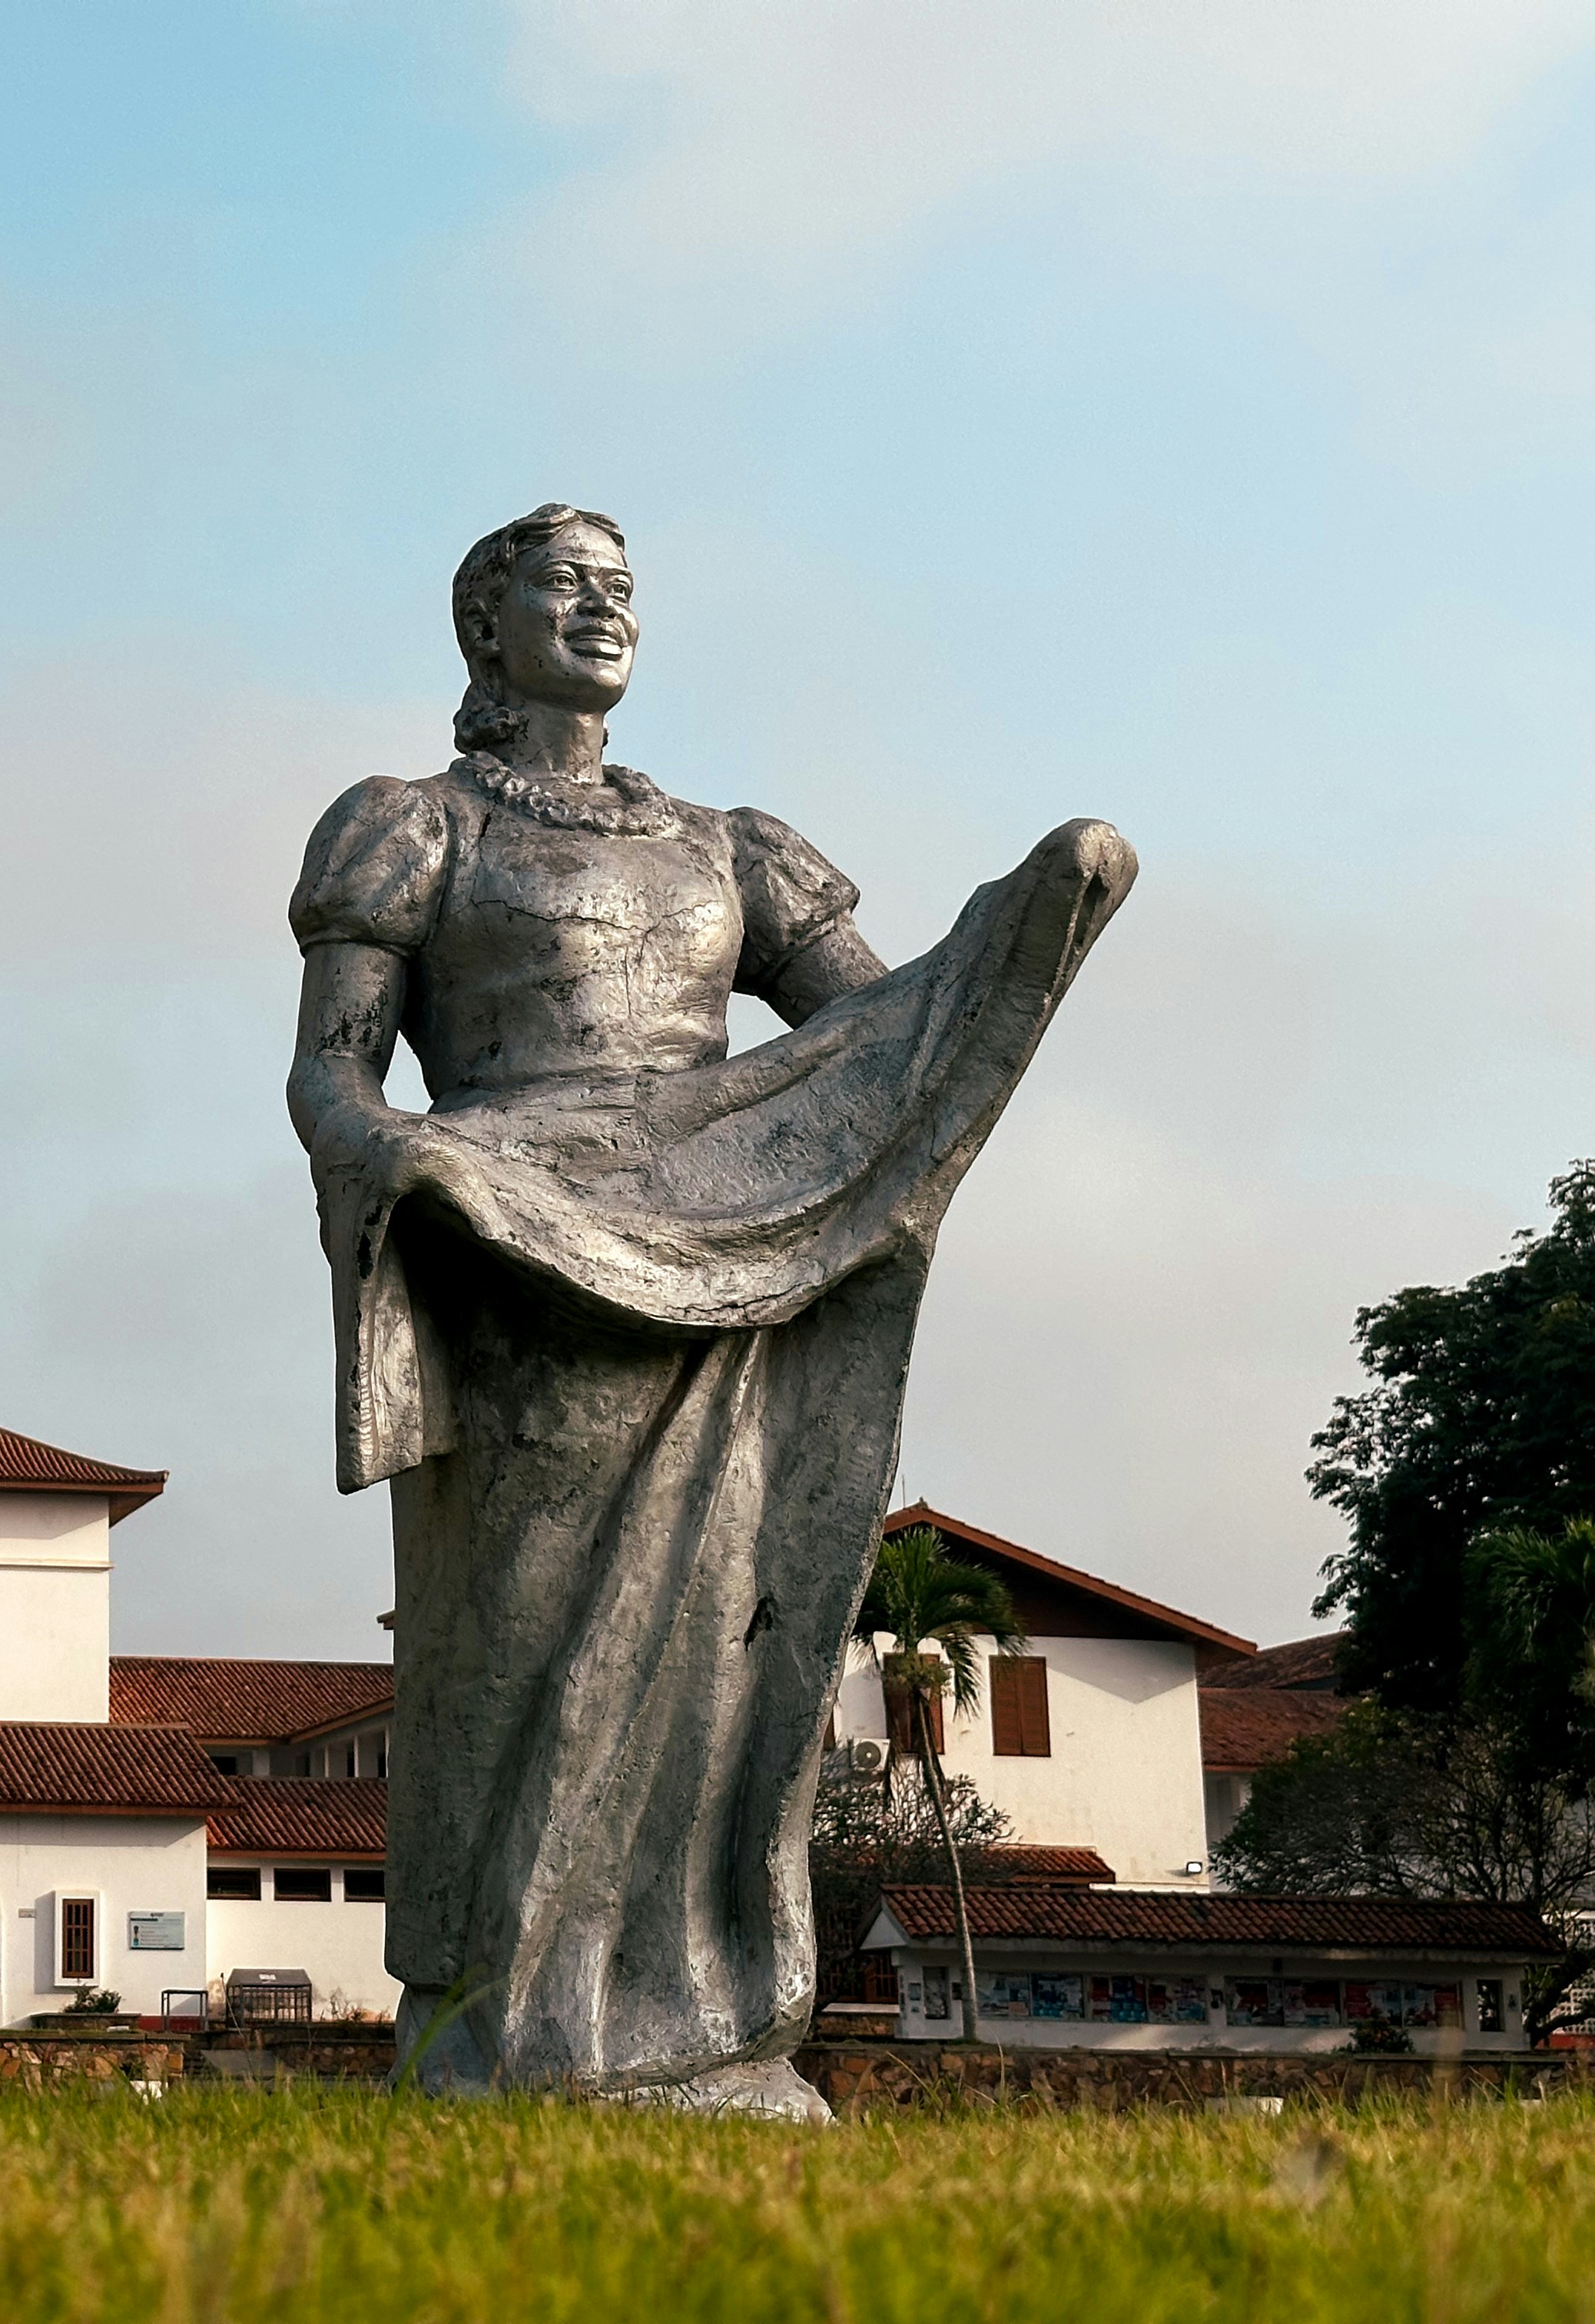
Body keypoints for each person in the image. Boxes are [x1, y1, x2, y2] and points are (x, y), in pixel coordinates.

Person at [288, 503, 1135, 2112]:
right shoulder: (412, 824)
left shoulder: (730, 843)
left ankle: (706, 2026)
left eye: (625, 586)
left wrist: (1014, 947)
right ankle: (508, 2028)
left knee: (720, 1641)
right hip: (524, 1244)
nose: (604, 608)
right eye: (568, 582)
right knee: (531, 1633)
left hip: (723, 1244)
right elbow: (330, 1070)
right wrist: (399, 1158)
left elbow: (873, 1042)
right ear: (488, 622)